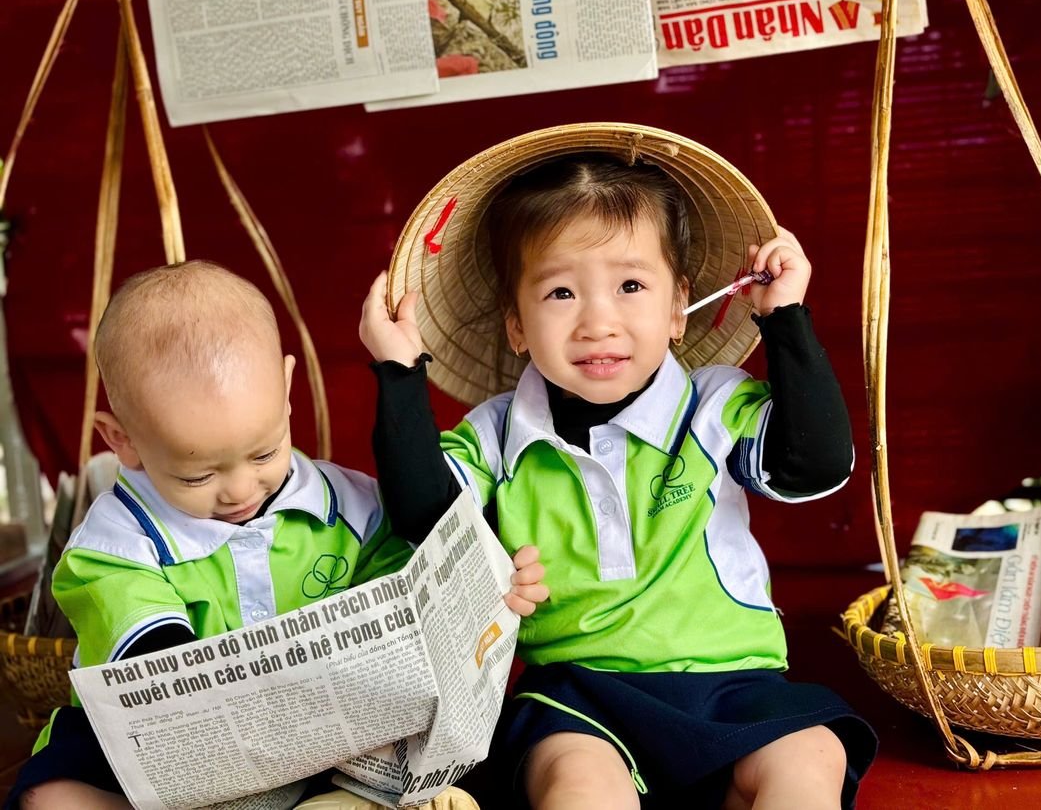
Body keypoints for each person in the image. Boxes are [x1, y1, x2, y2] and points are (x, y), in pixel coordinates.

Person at [359, 124, 877, 809]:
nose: (597, 322)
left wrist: (786, 320)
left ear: (677, 309)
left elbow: (815, 465)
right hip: (579, 697)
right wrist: (398, 374)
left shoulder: (713, 406)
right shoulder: (496, 436)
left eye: (630, 285)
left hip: (733, 683)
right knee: (575, 781)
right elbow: (423, 516)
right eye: (560, 294)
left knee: (812, 753)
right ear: (517, 326)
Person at [9, 260, 547, 810]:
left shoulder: (349, 509)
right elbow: (161, 678)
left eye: (265, 452)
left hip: (325, 757)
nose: (241, 489)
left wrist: (488, 586)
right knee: (49, 796)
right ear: (121, 440)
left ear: (287, 389)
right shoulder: (113, 547)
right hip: (160, 765)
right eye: (197, 476)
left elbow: (412, 600)